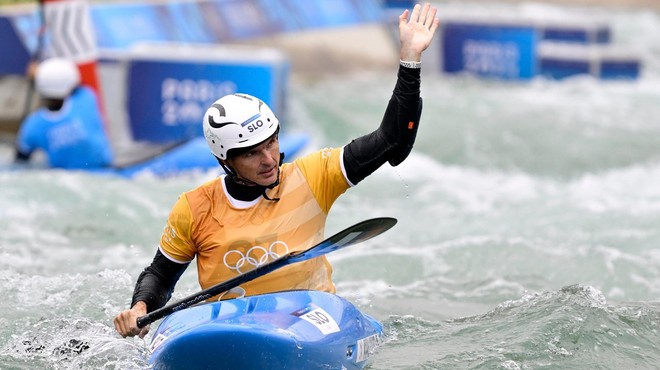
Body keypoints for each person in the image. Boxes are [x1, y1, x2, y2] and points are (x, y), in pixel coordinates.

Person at [114, 2, 439, 338]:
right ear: (226, 161)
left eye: (271, 143)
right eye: (252, 153)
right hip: (231, 326)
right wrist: (140, 308)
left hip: (307, 318)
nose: (269, 159)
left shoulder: (315, 176)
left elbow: (392, 138)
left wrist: (410, 59)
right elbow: (161, 275)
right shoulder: (195, 208)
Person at [14, 57, 113, 169]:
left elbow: (20, 162)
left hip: (63, 177)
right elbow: (77, 85)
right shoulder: (87, 97)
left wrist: (34, 79)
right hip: (106, 171)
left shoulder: (32, 126)